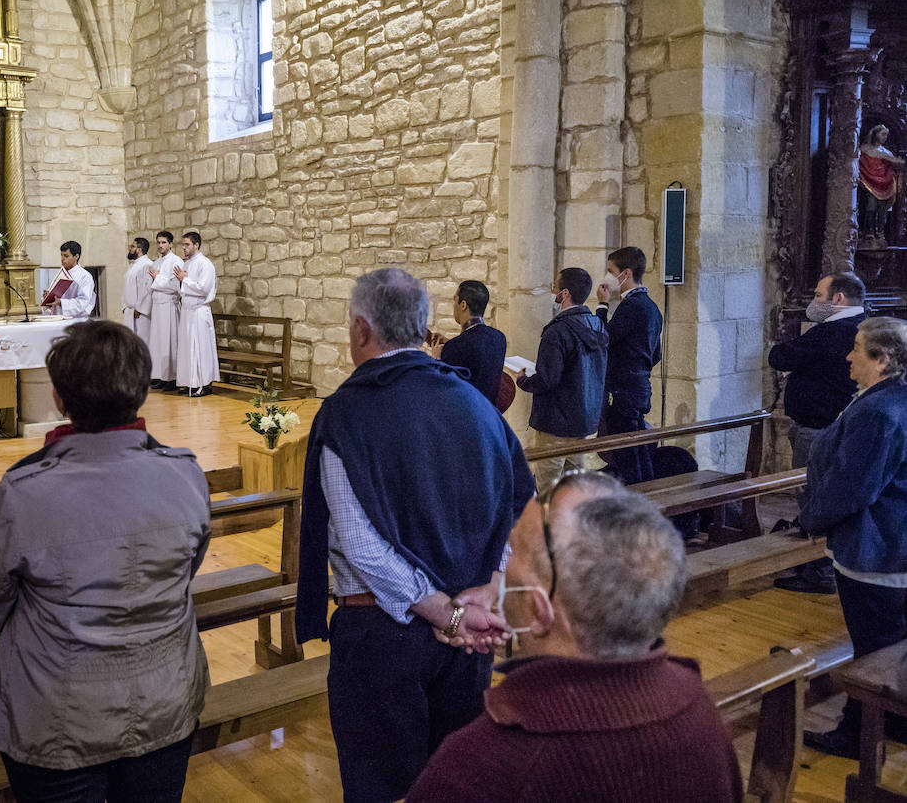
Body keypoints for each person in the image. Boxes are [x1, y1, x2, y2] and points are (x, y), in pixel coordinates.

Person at [295, 268, 536, 803]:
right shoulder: (476, 403)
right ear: (425, 325)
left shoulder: (345, 414)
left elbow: (360, 546)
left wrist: (444, 613)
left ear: (360, 329)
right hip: (469, 636)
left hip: (383, 634)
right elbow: (518, 502)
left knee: (381, 788)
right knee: (455, 783)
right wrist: (487, 589)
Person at [0, 320, 211, 801]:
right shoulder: (185, 475)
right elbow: (187, 568)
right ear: (141, 392)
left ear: (59, 398)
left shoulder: (24, 491)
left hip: (58, 714)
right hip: (164, 700)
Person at [406, 473, 741, 803]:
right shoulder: (696, 703)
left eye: (514, 550)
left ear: (538, 612)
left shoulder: (481, 766)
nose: (503, 571)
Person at [799, 316, 907, 759]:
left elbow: (853, 487)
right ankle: (894, 719)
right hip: (890, 541)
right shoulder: (889, 398)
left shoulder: (880, 412)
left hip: (876, 548)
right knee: (890, 641)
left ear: (881, 360)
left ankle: (857, 734)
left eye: (857, 349)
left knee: (874, 643)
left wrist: (811, 518)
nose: (848, 356)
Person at [768, 272, 867, 594]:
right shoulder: (865, 325)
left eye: (818, 294)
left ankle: (818, 571)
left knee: (813, 498)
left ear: (838, 298)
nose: (814, 300)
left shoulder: (831, 332)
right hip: (834, 425)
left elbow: (779, 356)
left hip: (818, 430)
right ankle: (824, 565)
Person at [515, 268, 608, 485]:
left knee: (548, 487)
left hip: (556, 422)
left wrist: (523, 380)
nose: (552, 291)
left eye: (554, 287)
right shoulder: (598, 326)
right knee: (575, 486)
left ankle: (549, 520)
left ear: (565, 293)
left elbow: (548, 378)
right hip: (584, 419)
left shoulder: (557, 331)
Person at [594, 247, 664, 484]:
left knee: (627, 456)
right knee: (640, 451)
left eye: (610, 271)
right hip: (639, 386)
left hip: (624, 390)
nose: (608, 277)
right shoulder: (651, 307)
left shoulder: (632, 307)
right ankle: (650, 502)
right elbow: (656, 354)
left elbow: (604, 339)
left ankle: (638, 509)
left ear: (625, 273)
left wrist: (602, 306)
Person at [428, 280, 507, 408]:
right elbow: (476, 357)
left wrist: (437, 358)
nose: (454, 305)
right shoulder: (499, 338)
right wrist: (449, 344)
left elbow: (441, 389)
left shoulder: (456, 347)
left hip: (465, 417)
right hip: (490, 415)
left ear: (463, 305)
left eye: (455, 300)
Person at [174, 231, 219, 397]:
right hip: (187, 311)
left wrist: (184, 280)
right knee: (187, 348)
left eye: (187, 244)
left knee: (200, 348)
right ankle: (189, 382)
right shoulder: (187, 264)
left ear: (196, 245)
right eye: (183, 244)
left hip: (199, 311)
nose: (184, 248)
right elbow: (183, 286)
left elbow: (203, 288)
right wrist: (181, 280)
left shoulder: (205, 264)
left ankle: (203, 383)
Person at [148, 231, 183, 391]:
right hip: (157, 306)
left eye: (163, 242)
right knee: (158, 342)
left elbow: (174, 286)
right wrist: (155, 279)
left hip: (169, 305)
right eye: (159, 242)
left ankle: (173, 377)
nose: (160, 246)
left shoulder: (176, 261)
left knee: (170, 341)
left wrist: (157, 278)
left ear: (170, 244)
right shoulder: (156, 263)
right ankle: (162, 375)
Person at [859, 124, 903, 247]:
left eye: (886, 135)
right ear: (875, 134)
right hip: (869, 183)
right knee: (870, 207)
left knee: (882, 210)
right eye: (882, 134)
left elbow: (893, 166)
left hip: (884, 185)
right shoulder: (865, 149)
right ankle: (869, 231)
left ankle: (879, 231)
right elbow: (861, 165)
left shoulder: (885, 152)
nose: (885, 137)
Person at [42, 240, 96, 317]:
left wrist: (61, 303)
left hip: (76, 320)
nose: (62, 259)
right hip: (58, 318)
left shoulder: (85, 276)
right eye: (61, 255)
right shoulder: (60, 273)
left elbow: (83, 301)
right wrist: (48, 298)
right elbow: (55, 300)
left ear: (76, 256)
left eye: (66, 256)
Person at [121, 236, 153, 347]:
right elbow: (126, 287)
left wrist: (140, 309)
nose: (130, 248)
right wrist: (124, 306)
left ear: (139, 249)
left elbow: (146, 290)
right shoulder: (133, 265)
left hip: (140, 314)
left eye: (133, 246)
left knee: (142, 343)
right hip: (130, 312)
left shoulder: (146, 265)